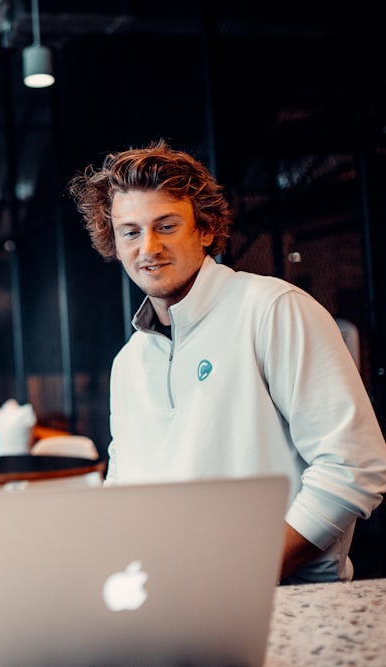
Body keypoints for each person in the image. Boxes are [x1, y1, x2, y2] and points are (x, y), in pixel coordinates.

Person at [67, 140, 386, 583]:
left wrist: (246, 574)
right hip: (169, 601)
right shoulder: (129, 363)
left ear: (205, 230)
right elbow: (124, 492)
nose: (149, 247)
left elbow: (354, 467)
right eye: (131, 232)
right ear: (114, 244)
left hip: (288, 601)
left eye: (166, 225)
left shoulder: (273, 309)